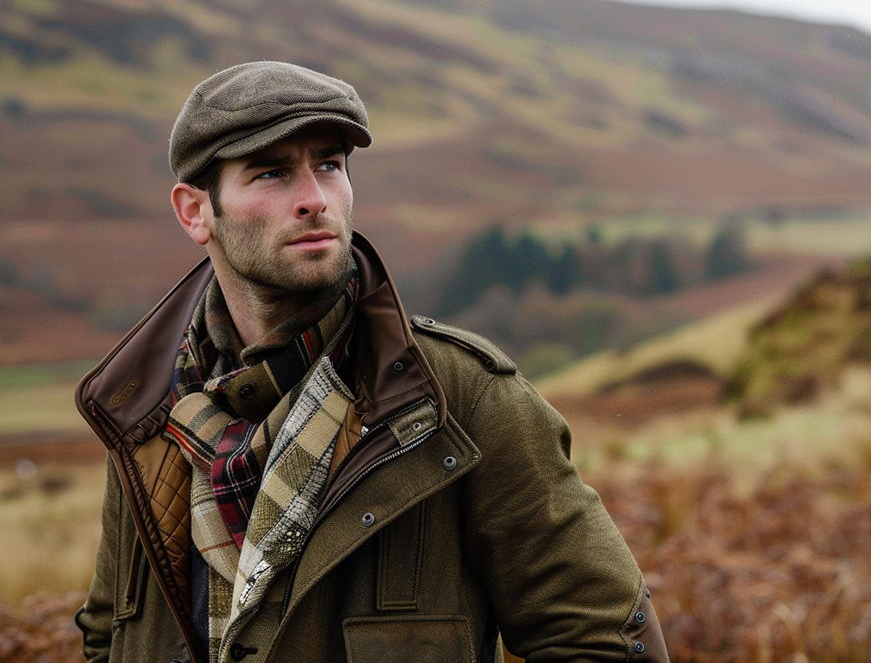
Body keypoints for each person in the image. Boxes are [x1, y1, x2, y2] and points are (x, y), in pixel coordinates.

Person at [74, 61, 669, 663]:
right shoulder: (145, 414)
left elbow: (606, 644)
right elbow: (105, 644)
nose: (313, 199)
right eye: (272, 173)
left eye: (329, 165)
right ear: (195, 211)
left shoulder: (459, 399)